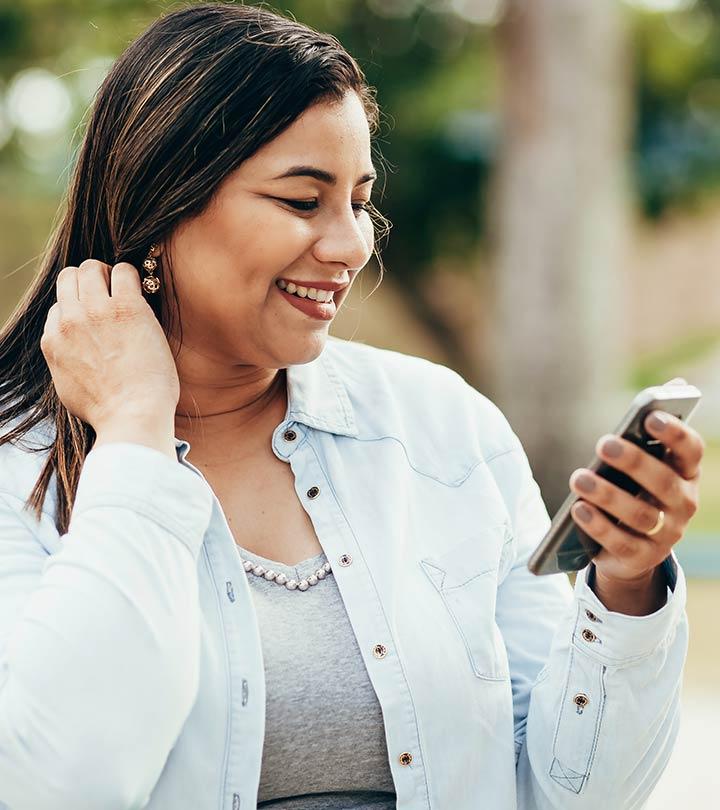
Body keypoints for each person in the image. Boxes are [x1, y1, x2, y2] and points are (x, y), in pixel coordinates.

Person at [0, 4, 704, 809]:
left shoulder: (441, 426)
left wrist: (626, 584)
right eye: (303, 201)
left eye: (359, 201)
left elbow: (572, 794)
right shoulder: (18, 461)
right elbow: (57, 782)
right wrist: (132, 432)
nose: (350, 245)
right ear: (162, 207)